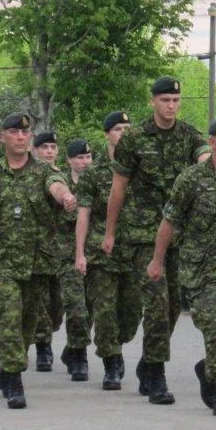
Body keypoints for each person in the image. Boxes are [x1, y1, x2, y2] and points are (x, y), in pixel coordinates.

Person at [0, 113, 77, 409]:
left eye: (25, 133)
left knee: (27, 322)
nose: (21, 137)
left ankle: (7, 369)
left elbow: (56, 185)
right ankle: (13, 380)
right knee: (8, 317)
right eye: (14, 132)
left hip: (37, 262)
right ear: (3, 138)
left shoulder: (45, 172)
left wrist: (65, 197)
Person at [104, 77, 210, 404]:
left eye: (175, 100)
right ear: (153, 102)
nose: (171, 106)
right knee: (157, 305)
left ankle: (148, 363)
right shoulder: (134, 139)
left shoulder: (189, 135)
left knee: (173, 306)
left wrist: (212, 164)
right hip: (142, 236)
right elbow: (118, 187)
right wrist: (110, 232)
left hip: (177, 235)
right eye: (165, 100)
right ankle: (157, 376)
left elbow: (205, 156)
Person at [150, 117, 216, 418]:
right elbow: (169, 221)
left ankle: (208, 368)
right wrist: (157, 260)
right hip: (204, 273)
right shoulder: (192, 179)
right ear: (212, 143)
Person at [75, 111, 139, 391]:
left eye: (127, 128)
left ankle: (117, 343)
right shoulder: (94, 173)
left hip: (134, 250)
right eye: (117, 129)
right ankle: (111, 361)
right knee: (104, 310)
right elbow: (84, 214)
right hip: (101, 252)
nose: (123, 133)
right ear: (107, 135)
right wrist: (79, 253)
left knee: (131, 312)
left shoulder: (141, 170)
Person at [54, 138, 93, 381]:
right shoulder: (60, 185)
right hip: (67, 256)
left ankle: (71, 348)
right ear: (69, 160)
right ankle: (79, 357)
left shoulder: (99, 182)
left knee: (92, 309)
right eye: (80, 157)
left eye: (88, 157)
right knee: (76, 308)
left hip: (95, 254)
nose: (85, 162)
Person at [30, 130, 62, 372]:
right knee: (39, 301)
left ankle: (48, 333)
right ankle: (43, 346)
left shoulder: (63, 178)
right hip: (36, 251)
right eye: (44, 147)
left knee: (57, 305)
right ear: (35, 150)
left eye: (53, 147)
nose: (49, 151)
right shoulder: (29, 177)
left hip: (62, 251)